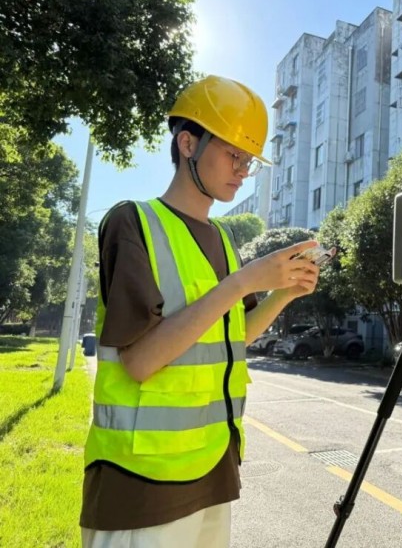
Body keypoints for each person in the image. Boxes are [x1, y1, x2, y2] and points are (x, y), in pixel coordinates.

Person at [80, 75, 321, 547]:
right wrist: (244, 281)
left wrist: (284, 293)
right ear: (187, 143)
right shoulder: (133, 222)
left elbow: (230, 337)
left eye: (249, 161)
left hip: (213, 471)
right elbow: (140, 360)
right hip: (141, 482)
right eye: (234, 154)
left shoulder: (225, 242)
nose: (242, 170)